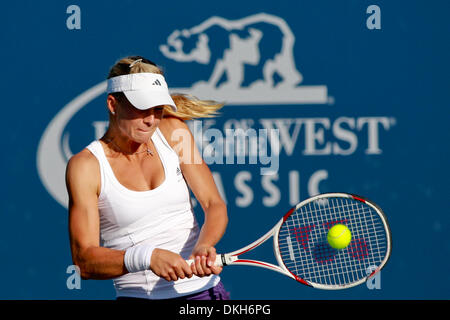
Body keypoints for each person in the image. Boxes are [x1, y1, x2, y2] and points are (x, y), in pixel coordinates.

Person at [65, 56, 230, 300]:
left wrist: (204, 245)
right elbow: (84, 261)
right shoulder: (85, 167)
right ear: (113, 104)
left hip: (203, 295)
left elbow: (213, 204)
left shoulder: (174, 132)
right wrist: (147, 257)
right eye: (142, 108)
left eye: (157, 109)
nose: (151, 119)